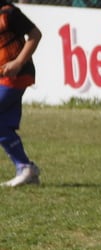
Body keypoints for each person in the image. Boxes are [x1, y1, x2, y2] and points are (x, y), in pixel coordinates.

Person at [0, 0, 41, 188]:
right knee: (2, 125)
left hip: (17, 74)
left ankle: (25, 167)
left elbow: (35, 34)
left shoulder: (8, 13)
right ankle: (25, 168)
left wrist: (17, 62)